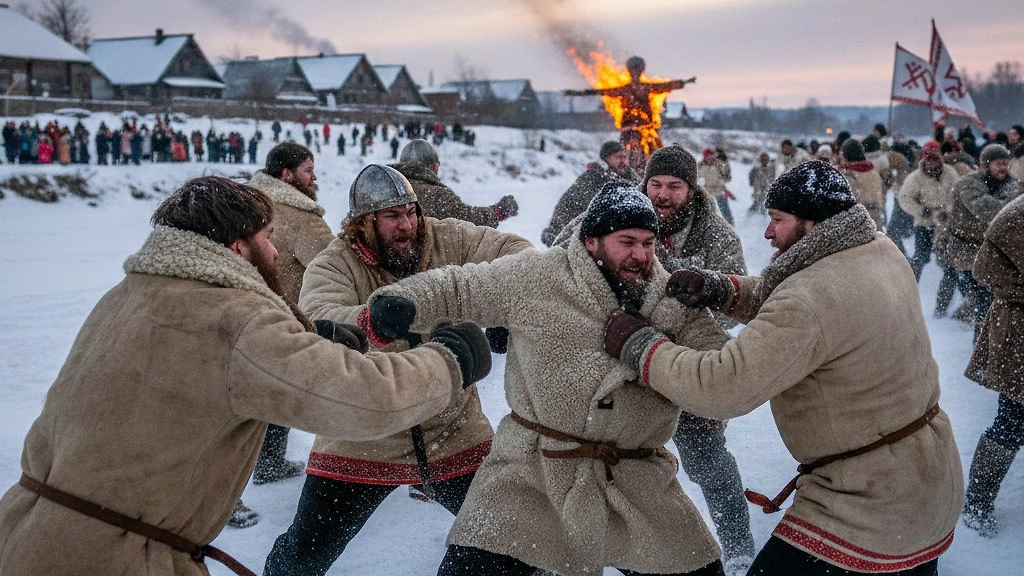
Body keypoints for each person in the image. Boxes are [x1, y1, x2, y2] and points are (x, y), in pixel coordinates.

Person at [0, 176, 489, 576]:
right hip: (114, 560)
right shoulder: (236, 319)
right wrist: (447, 359)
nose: (277, 255)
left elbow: (195, 359)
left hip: (28, 536)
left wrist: (309, 336)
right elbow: (364, 399)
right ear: (237, 249)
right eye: (268, 240)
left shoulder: (126, 296)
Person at [605, 160, 963, 576]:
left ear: (813, 225)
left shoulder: (810, 299)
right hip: (927, 480)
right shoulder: (876, 250)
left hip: (868, 504)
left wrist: (642, 347)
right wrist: (722, 288)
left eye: (777, 219)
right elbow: (807, 304)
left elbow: (724, 386)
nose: (767, 231)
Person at [368, 182, 728, 576]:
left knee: (697, 570)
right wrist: (403, 301)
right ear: (592, 242)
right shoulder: (538, 277)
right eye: (627, 242)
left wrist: (711, 321)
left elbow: (722, 370)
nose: (641, 255)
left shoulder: (673, 298)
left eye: (648, 242)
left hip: (635, 477)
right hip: (533, 470)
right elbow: (462, 285)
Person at [263, 164, 533, 576]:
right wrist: (370, 321)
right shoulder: (335, 263)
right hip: (362, 433)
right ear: (363, 223)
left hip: (453, 428)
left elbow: (515, 251)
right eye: (392, 217)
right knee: (302, 557)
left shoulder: (447, 238)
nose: (407, 225)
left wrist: (491, 296)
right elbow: (318, 319)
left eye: (411, 212)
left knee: (510, 538)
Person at [245, 142, 337, 489]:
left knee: (266, 390)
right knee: (277, 390)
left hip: (248, 308)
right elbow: (335, 262)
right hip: (283, 313)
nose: (314, 177)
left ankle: (267, 463)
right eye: (308, 171)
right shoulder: (303, 218)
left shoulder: (252, 201)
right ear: (287, 175)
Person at [961, 193, 1024, 537]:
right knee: (1012, 422)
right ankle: (978, 503)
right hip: (1019, 332)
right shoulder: (1018, 214)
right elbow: (983, 269)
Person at [940, 144, 1021, 338]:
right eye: (998, 163)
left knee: (988, 295)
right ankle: (980, 340)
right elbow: (991, 211)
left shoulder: (1012, 184)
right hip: (965, 248)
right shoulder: (967, 183)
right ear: (985, 164)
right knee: (980, 292)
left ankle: (983, 336)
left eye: (1005, 163)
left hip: (994, 249)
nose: (1003, 168)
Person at [391, 139, 518, 228]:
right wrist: (500, 211)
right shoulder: (437, 196)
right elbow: (470, 221)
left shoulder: (388, 188)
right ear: (435, 167)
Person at [541, 140, 640, 246]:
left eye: (625, 157)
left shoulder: (637, 182)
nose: (623, 161)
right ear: (606, 160)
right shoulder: (591, 179)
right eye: (618, 157)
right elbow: (568, 204)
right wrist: (555, 229)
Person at [897, 141, 960, 282]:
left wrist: (948, 211)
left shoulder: (950, 173)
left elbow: (957, 195)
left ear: (940, 159)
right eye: (928, 159)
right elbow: (904, 198)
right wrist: (923, 210)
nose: (931, 163)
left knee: (951, 263)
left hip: (946, 224)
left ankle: (957, 296)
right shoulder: (915, 177)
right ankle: (911, 287)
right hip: (924, 222)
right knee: (920, 257)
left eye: (935, 159)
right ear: (923, 159)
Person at [839, 138, 886, 231]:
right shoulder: (873, 171)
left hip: (855, 223)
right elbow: (882, 193)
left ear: (846, 155)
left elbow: (843, 202)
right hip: (875, 220)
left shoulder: (847, 174)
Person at [697, 147, 734, 226]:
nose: (710, 158)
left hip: (719, 191)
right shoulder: (700, 167)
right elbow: (694, 177)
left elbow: (727, 177)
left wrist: (725, 161)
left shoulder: (719, 165)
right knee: (705, 211)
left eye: (711, 155)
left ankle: (730, 225)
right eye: (708, 156)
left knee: (725, 210)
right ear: (704, 157)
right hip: (706, 192)